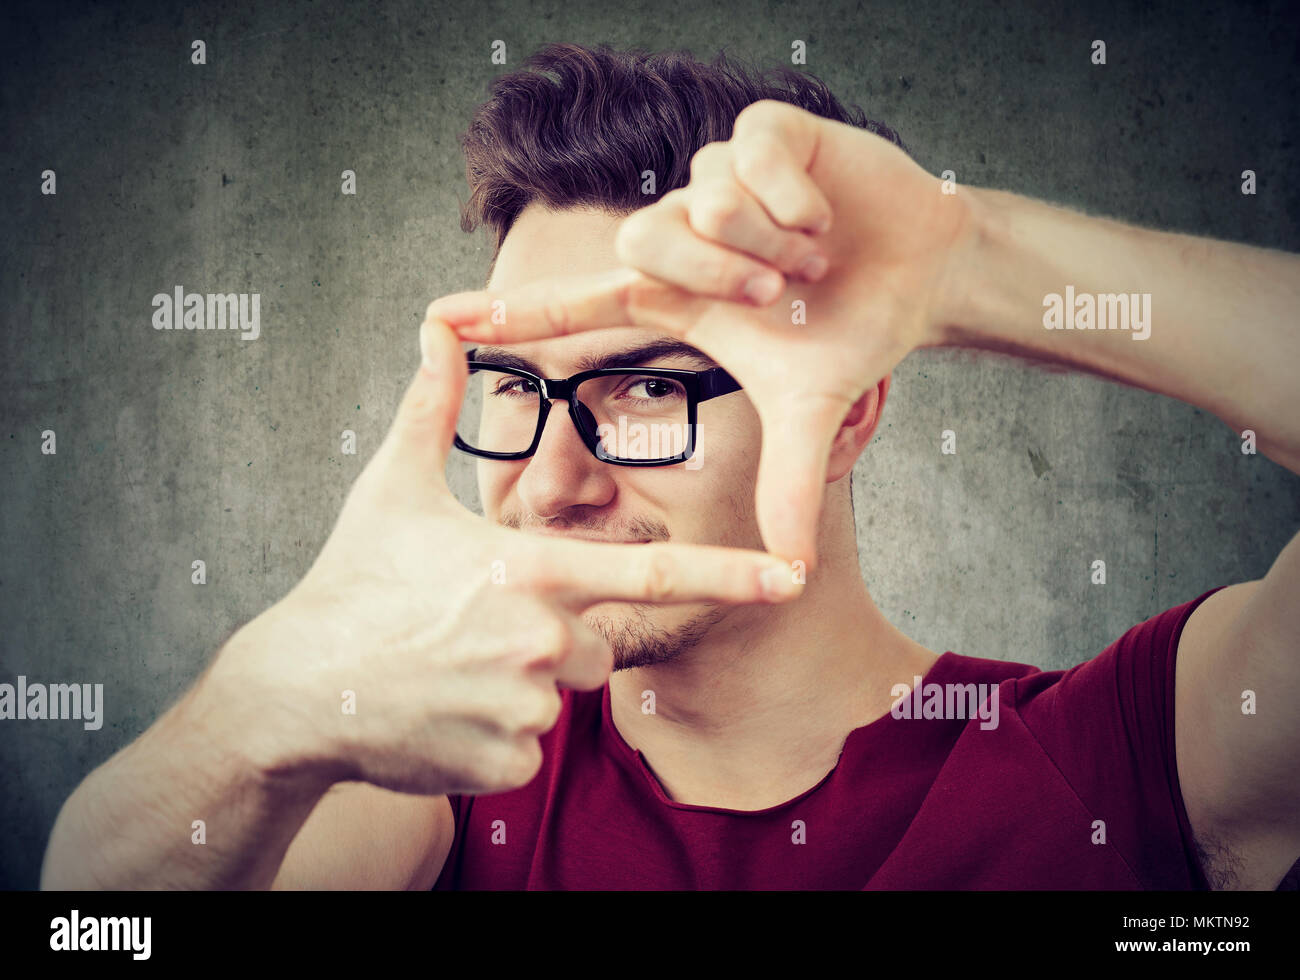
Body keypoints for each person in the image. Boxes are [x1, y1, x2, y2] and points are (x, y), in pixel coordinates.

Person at [42, 43, 1299, 891]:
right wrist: (271, 707)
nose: (547, 483)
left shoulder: (1131, 753)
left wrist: (971, 264)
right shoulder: (444, 791)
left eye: (644, 388)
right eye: (519, 391)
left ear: (850, 407)